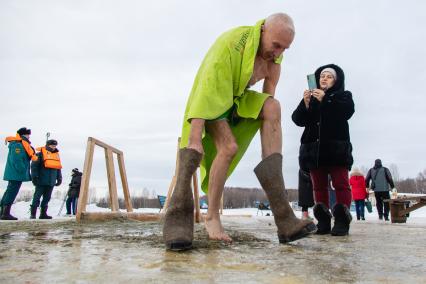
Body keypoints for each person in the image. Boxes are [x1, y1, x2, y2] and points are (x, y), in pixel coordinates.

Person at [163, 13, 316, 251]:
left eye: (284, 49)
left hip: (237, 100)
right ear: (263, 29)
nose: (278, 53)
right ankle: (202, 215)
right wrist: (195, 139)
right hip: (212, 96)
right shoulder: (231, 44)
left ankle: (284, 217)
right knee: (228, 147)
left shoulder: (275, 60)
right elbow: (207, 89)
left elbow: (267, 99)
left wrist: (264, 121)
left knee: (273, 106)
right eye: (276, 45)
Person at [292, 64, 355, 236]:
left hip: (335, 150)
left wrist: (326, 99)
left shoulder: (343, 96)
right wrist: (304, 104)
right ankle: (323, 221)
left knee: (341, 184)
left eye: (329, 76)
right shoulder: (312, 98)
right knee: (318, 187)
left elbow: (347, 111)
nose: (324, 78)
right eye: (322, 76)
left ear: (336, 80)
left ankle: (342, 220)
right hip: (313, 151)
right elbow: (297, 120)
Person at [1, 127, 38, 220]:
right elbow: (17, 159)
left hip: (15, 173)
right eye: (27, 135)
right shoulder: (18, 145)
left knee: (10, 191)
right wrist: (22, 169)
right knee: (12, 191)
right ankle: (5, 213)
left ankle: (3, 212)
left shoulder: (21, 144)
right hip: (16, 173)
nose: (29, 137)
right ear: (23, 135)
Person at [30, 139, 62, 219]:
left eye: (55, 146)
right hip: (41, 180)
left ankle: (43, 214)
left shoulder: (56, 156)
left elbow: (58, 168)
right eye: (52, 146)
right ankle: (33, 214)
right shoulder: (39, 154)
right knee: (37, 197)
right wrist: (34, 177)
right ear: (47, 145)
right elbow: (34, 166)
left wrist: (59, 178)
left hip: (51, 181)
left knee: (47, 198)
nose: (54, 147)